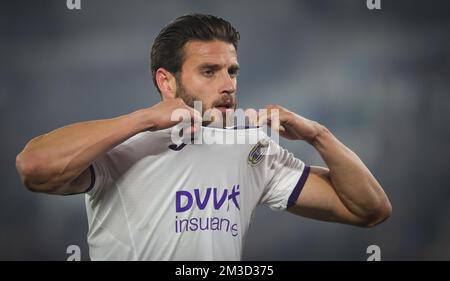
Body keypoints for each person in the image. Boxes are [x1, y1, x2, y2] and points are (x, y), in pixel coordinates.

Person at [15, 13, 391, 260]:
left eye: (232, 71)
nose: (228, 85)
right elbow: (33, 167)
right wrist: (144, 119)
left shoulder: (253, 149)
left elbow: (368, 209)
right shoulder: (122, 145)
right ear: (166, 81)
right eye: (209, 71)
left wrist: (319, 136)